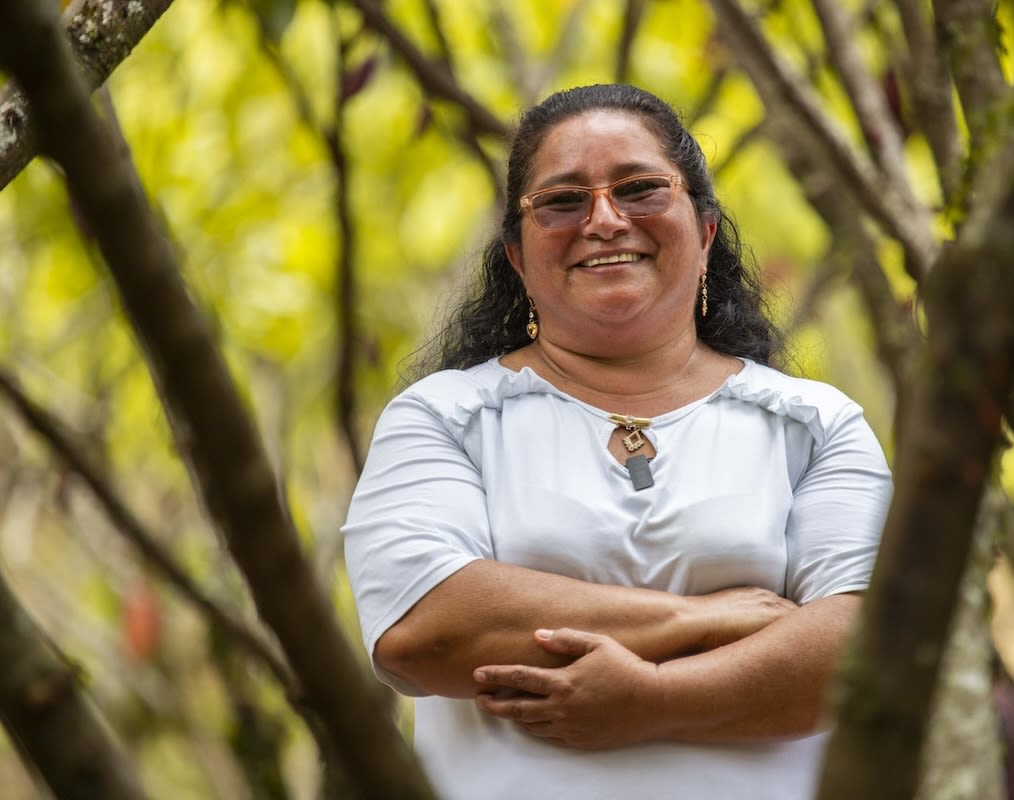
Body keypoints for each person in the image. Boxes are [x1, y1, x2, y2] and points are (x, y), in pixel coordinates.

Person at [342, 83, 892, 800]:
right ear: (516, 254)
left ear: (704, 232)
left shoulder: (813, 424)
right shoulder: (445, 418)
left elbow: (866, 653)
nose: (604, 220)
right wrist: (707, 617)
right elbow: (425, 630)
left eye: (638, 189)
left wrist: (651, 699)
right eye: (563, 201)